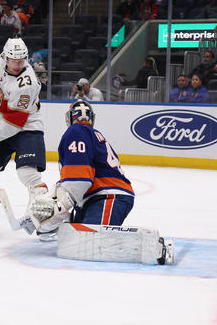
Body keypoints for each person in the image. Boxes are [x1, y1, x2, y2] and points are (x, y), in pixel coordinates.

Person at [27, 100, 172, 263]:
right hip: (98, 197)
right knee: (73, 240)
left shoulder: (76, 131)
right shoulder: (89, 134)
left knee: (90, 243)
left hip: (107, 196)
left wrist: (61, 207)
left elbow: (79, 179)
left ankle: (154, 246)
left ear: (69, 118)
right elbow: (73, 180)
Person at [0, 38, 47, 234]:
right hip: (2, 124)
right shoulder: (0, 61)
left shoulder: (26, 83)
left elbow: (15, 122)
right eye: (13, 60)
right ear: (5, 56)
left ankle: (47, 214)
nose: (17, 65)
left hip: (27, 127)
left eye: (22, 61)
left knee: (27, 173)